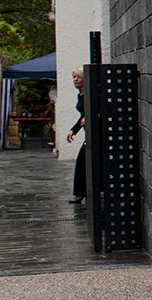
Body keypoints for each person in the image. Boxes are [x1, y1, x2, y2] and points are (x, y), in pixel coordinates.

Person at [66, 70, 87, 205]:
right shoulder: (81, 96)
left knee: (82, 161)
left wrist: (91, 118)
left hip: (96, 133)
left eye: (78, 77)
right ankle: (80, 193)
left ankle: (80, 193)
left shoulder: (90, 94)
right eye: (74, 77)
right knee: (83, 162)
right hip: (88, 132)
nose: (75, 80)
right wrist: (73, 130)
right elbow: (82, 116)